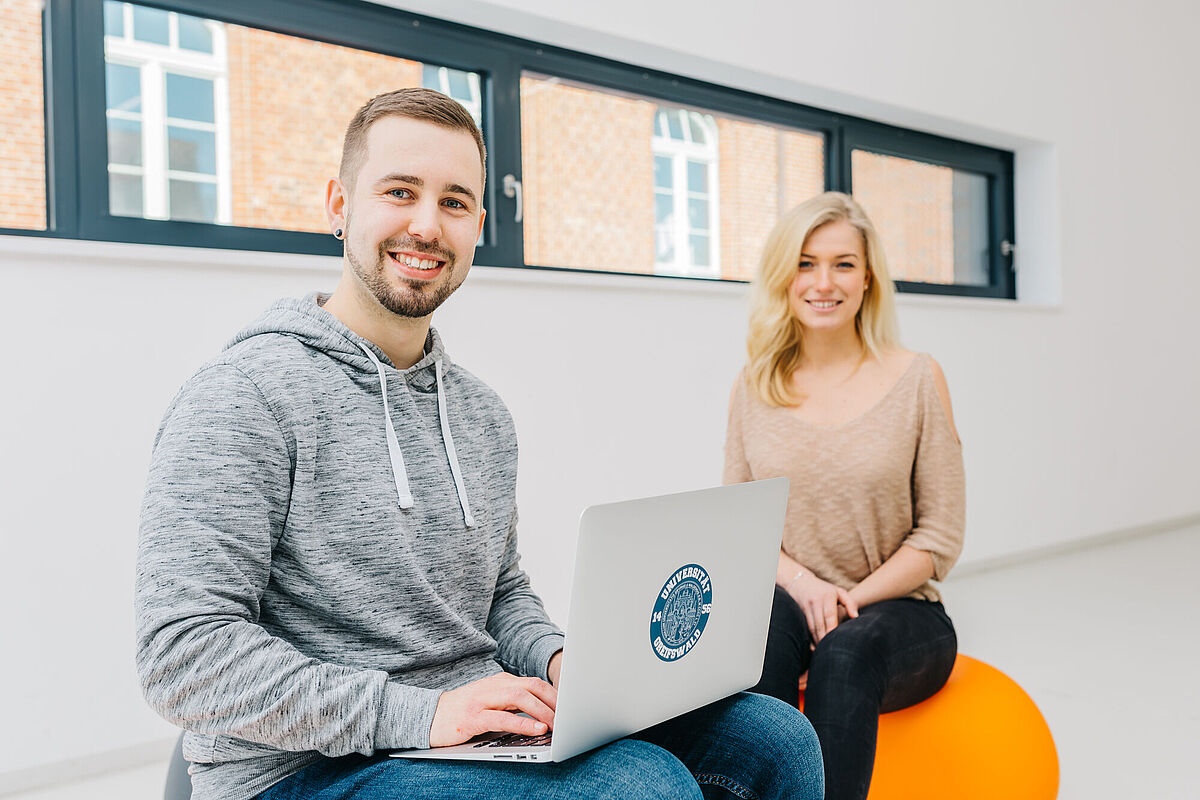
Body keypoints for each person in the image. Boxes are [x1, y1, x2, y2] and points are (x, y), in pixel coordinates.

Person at [135, 88, 823, 800]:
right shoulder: (243, 395)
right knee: (637, 787)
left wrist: (565, 663)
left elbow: (498, 595)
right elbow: (180, 654)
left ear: (478, 226)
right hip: (299, 771)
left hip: (468, 732)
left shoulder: (481, 415)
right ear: (339, 206)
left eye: (455, 202)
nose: (426, 225)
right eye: (400, 192)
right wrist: (423, 713)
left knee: (775, 740)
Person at [723, 192, 966, 800]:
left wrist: (845, 603)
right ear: (784, 276)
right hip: (791, 596)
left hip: (899, 607)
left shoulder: (917, 377)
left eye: (843, 263)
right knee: (751, 647)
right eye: (805, 262)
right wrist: (807, 589)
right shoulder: (754, 386)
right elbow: (737, 525)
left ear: (868, 279)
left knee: (844, 653)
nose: (822, 282)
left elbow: (939, 537)